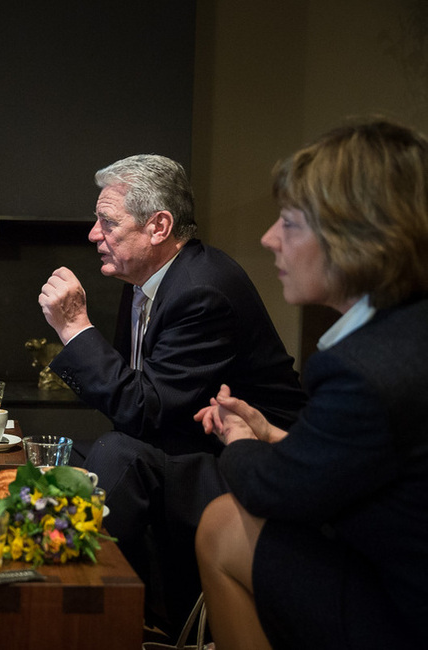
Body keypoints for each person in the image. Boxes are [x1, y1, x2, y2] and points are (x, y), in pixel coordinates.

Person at [38, 154, 306, 633]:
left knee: (118, 453)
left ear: (158, 226)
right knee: (56, 455)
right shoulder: (143, 277)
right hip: (182, 443)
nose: (93, 234)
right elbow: (137, 403)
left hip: (249, 462)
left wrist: (76, 328)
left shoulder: (202, 289)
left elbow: (143, 409)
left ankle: (80, 618)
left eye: (107, 222)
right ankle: (77, 600)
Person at [195, 119, 428, 648]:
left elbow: (271, 490)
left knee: (220, 523)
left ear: (359, 237)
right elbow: (372, 463)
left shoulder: (366, 367)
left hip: (406, 615)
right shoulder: (406, 330)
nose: (268, 238)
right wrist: (280, 438)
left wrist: (240, 441)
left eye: (290, 222)